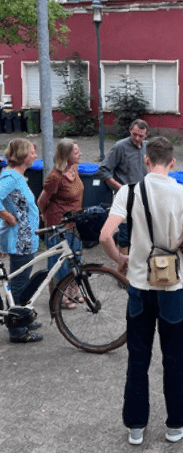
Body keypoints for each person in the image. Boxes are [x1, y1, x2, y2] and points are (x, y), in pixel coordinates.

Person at [99, 137, 183, 446]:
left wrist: (120, 259)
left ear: (146, 160)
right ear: (172, 163)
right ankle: (176, 425)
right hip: (172, 287)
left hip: (139, 286)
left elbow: (106, 235)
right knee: (176, 358)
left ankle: (136, 427)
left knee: (138, 358)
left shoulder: (128, 192)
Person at [0, 139, 42, 343]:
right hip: (20, 239)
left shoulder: (17, 176)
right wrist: (7, 216)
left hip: (26, 237)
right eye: (32, 152)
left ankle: (22, 317)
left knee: (23, 282)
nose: (35, 155)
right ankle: (17, 330)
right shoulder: (11, 177)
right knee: (19, 284)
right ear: (23, 155)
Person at [37, 139, 84, 309]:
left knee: (75, 258)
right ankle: (59, 297)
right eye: (76, 152)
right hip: (59, 224)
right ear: (66, 155)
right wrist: (45, 215)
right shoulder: (55, 177)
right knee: (59, 263)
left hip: (74, 221)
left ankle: (73, 292)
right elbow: (41, 201)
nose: (80, 154)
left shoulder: (74, 168)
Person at [98, 119, 149, 260]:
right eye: (134, 134)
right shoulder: (120, 147)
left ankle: (137, 263)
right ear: (130, 130)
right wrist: (120, 187)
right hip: (125, 198)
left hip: (142, 198)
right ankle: (123, 267)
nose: (137, 138)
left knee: (141, 234)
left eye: (141, 136)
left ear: (146, 135)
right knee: (125, 235)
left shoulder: (147, 148)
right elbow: (103, 170)